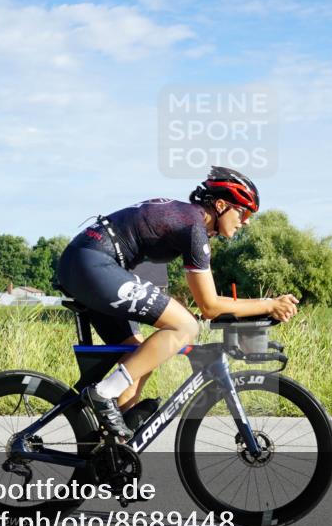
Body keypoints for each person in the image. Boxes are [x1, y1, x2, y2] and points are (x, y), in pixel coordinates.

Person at [54, 167, 300, 441]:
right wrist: (268, 304)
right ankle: (103, 394)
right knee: (185, 326)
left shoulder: (190, 220)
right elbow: (210, 306)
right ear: (220, 205)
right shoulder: (194, 226)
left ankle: (110, 448)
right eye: (244, 212)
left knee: (140, 356)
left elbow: (207, 300)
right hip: (93, 263)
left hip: (91, 263)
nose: (247, 221)